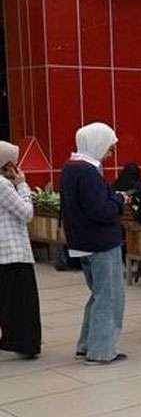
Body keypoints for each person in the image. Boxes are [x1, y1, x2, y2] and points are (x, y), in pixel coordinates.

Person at [61, 123, 127, 365]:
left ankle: (87, 345)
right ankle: (101, 351)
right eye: (109, 148)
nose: (109, 154)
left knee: (99, 295)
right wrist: (119, 200)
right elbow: (101, 210)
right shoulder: (88, 172)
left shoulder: (71, 167)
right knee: (109, 297)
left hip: (82, 241)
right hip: (100, 242)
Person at [0, 141, 40, 359]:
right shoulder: (3, 185)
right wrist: (23, 186)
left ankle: (12, 339)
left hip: (4, 252)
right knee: (22, 303)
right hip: (13, 251)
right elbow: (26, 213)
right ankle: (25, 343)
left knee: (8, 301)